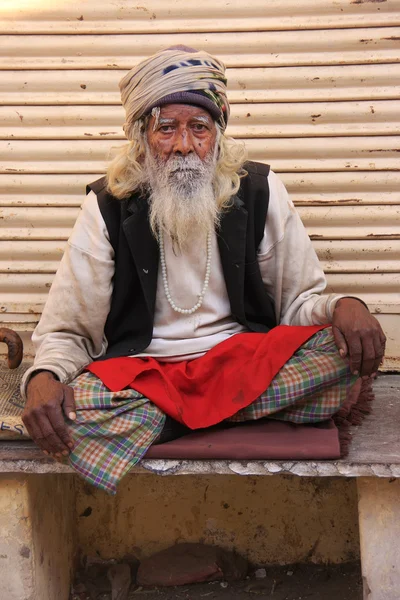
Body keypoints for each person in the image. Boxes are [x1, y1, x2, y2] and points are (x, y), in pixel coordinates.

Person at [21, 46, 386, 494]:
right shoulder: (107, 206)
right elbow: (67, 331)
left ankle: (166, 425)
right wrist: (43, 378)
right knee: (66, 411)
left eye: (198, 128)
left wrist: (345, 305)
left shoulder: (258, 190)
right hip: (146, 378)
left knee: (338, 354)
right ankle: (237, 413)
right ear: (141, 137)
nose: (184, 146)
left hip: (241, 367)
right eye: (166, 128)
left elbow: (298, 304)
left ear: (217, 135)